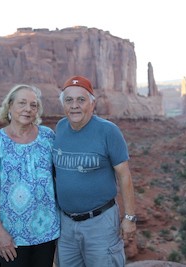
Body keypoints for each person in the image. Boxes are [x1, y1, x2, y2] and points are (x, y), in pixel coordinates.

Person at [53, 75, 137, 267]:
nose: (74, 105)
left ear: (92, 104)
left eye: (81, 100)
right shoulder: (60, 127)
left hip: (100, 223)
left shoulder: (108, 131)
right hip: (66, 224)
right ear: (63, 104)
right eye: (69, 100)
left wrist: (130, 217)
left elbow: (124, 175)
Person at [0, 84, 60, 267]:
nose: (28, 109)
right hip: (11, 237)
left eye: (33, 105)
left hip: (46, 232)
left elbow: (61, 177)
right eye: (22, 103)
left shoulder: (48, 137)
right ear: (10, 106)